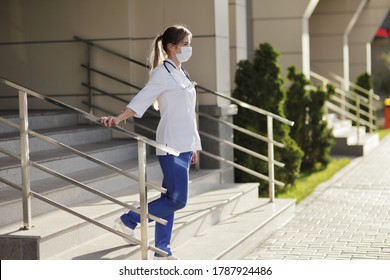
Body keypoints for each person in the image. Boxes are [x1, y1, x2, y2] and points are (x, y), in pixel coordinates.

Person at [100, 24, 201, 260]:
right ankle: (129, 219)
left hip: (186, 146)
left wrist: (195, 145)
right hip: (170, 145)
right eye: (185, 44)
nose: (189, 48)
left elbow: (187, 112)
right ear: (171, 47)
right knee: (177, 200)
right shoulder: (161, 73)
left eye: (189, 44)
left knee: (169, 199)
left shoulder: (182, 72)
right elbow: (141, 100)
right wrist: (117, 118)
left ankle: (162, 249)